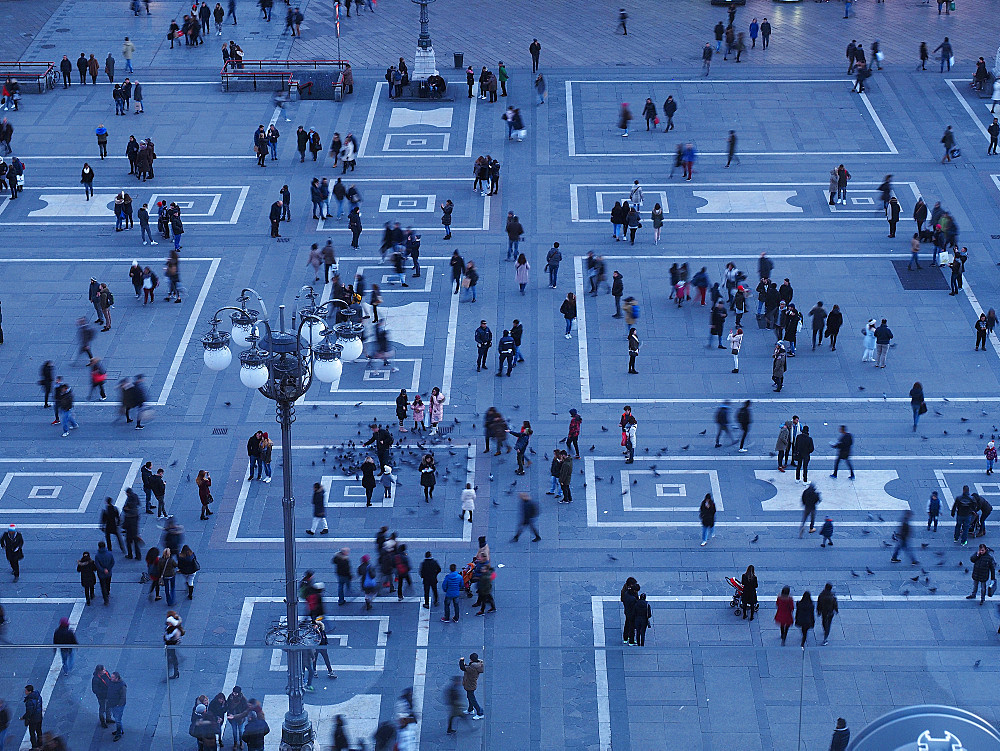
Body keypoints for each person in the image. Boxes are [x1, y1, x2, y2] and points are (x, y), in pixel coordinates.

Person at [459, 654, 485, 719]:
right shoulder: (476, 666)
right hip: (471, 684)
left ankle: (480, 712)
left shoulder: (472, 668)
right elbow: (467, 667)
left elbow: (463, 668)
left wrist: (461, 661)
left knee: (472, 699)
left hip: (470, 684)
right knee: (469, 697)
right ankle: (470, 709)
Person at [106, 671, 126, 741]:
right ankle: (120, 730)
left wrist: (118, 705)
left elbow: (123, 697)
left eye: (113, 677)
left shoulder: (122, 686)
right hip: (113, 703)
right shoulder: (112, 682)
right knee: (117, 718)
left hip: (117, 706)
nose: (111, 678)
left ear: (117, 678)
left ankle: (119, 734)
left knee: (118, 720)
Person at [164, 610, 184, 678]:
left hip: (172, 645)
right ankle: (175, 671)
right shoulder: (170, 628)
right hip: (171, 645)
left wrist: (165, 637)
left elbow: (168, 637)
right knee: (172, 657)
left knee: (172, 657)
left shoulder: (175, 630)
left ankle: (175, 672)